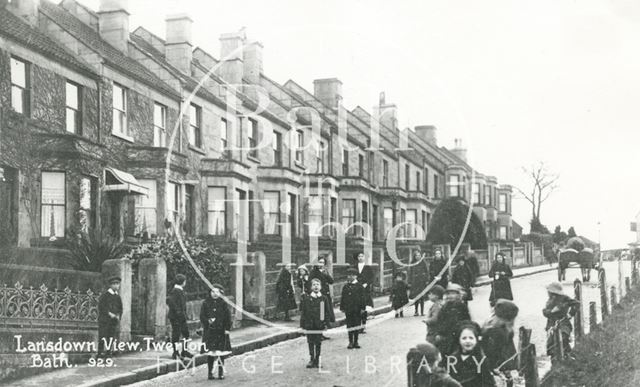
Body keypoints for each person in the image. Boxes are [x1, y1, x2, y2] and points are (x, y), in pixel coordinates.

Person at [481, 299, 519, 384]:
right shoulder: (494, 328)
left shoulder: (497, 326)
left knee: (506, 372)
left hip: (501, 355)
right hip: (493, 356)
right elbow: (490, 349)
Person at [448, 322, 497, 387]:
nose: (467, 341)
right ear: (459, 340)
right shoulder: (452, 358)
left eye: (471, 338)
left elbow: (489, 382)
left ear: (476, 340)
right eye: (464, 338)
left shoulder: (481, 359)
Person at [200, 284, 232, 380]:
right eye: (213, 292)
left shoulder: (223, 303)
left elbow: (228, 317)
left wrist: (227, 329)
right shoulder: (205, 303)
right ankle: (210, 373)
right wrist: (207, 321)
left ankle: (220, 373)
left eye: (217, 292)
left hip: (220, 331)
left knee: (220, 353)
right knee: (210, 353)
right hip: (210, 331)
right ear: (210, 293)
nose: (214, 294)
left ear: (220, 293)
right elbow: (202, 316)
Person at [300, 278, 332, 368]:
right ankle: (311, 359)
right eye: (314, 285)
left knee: (318, 342)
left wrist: (325, 324)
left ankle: (317, 359)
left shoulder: (323, 299)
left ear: (321, 287)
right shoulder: (307, 298)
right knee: (310, 341)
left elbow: (325, 312)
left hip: (318, 325)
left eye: (318, 285)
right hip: (309, 324)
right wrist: (302, 325)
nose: (316, 287)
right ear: (311, 287)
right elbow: (304, 312)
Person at [543, 282, 580, 359]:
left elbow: (576, 303)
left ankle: (567, 356)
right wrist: (552, 311)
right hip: (551, 324)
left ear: (552, 291)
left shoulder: (564, 298)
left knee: (563, 337)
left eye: (549, 291)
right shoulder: (549, 301)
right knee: (551, 344)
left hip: (563, 322)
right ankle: (555, 360)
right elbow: (545, 312)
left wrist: (570, 314)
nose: (548, 293)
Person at [435, 284, 471, 357]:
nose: (450, 296)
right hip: (446, 336)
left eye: (453, 293)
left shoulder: (462, 306)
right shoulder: (444, 307)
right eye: (448, 294)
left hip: (458, 335)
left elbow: (467, 320)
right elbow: (440, 320)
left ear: (458, 295)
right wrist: (439, 333)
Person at [166, 273, 192, 359]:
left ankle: (184, 351)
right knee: (176, 335)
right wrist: (179, 313)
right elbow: (171, 302)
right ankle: (175, 353)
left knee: (186, 334)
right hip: (176, 317)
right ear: (183, 282)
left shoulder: (179, 290)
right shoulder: (175, 291)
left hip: (181, 316)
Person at [97, 276, 123, 358]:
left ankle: (108, 352)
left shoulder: (117, 297)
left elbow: (120, 308)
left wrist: (119, 315)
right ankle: (100, 353)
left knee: (111, 337)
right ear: (110, 285)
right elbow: (101, 307)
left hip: (113, 321)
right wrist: (109, 313)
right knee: (102, 336)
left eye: (117, 284)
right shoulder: (105, 295)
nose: (116, 286)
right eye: (114, 284)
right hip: (105, 320)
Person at [340, 268, 366, 349]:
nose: (350, 277)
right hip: (348, 309)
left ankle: (356, 341)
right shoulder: (346, 286)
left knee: (357, 324)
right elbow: (343, 297)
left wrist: (363, 308)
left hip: (357, 309)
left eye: (352, 275)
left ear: (356, 276)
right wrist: (342, 307)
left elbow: (363, 298)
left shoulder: (360, 286)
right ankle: (350, 341)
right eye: (349, 275)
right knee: (350, 325)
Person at [310, 257, 336, 329]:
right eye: (319, 262)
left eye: (322, 262)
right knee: (320, 313)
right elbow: (310, 283)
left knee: (326, 311)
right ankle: (320, 332)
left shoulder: (325, 271)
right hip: (318, 294)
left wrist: (326, 274)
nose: (321, 264)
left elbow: (331, 281)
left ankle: (324, 328)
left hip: (326, 294)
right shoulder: (313, 272)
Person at [353, 252, 374, 333]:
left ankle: (363, 325)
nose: (360, 257)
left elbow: (371, 277)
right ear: (357, 257)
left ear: (364, 257)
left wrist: (366, 283)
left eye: (362, 256)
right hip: (356, 289)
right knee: (357, 307)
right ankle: (358, 325)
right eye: (359, 256)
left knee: (364, 307)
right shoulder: (354, 267)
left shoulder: (368, 267)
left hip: (365, 290)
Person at [410, 250, 430, 316]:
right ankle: (416, 311)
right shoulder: (412, 263)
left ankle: (422, 311)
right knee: (416, 297)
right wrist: (410, 281)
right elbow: (410, 273)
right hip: (415, 282)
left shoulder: (423, 262)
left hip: (422, 282)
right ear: (414, 256)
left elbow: (427, 271)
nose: (418, 257)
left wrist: (426, 279)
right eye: (416, 255)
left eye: (419, 255)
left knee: (422, 297)